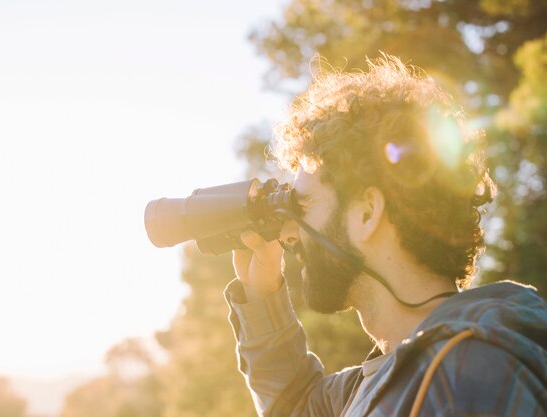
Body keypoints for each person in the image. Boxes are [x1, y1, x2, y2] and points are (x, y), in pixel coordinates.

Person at [224, 56, 547, 416]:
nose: (290, 232)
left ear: (366, 213)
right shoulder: (386, 378)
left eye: (303, 205)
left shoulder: (467, 371)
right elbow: (293, 405)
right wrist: (260, 294)